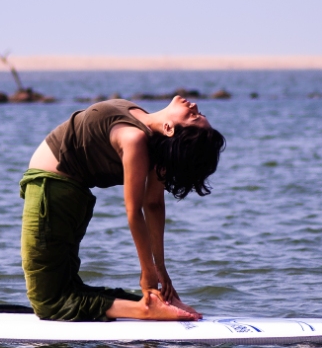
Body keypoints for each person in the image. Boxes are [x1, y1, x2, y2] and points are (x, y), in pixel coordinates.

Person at [19, 95, 226, 321]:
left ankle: (145, 309)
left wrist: (151, 271)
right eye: (199, 114)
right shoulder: (150, 139)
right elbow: (153, 204)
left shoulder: (134, 138)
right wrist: (158, 273)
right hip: (67, 195)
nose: (194, 106)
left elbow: (137, 209)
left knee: (49, 302)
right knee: (66, 287)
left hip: (51, 191)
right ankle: (155, 301)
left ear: (169, 128)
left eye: (194, 117)